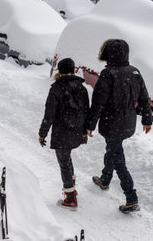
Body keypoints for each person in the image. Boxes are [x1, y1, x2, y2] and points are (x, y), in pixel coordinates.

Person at [85, 39, 152, 214]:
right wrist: (146, 120)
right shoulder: (135, 72)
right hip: (128, 121)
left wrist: (89, 125)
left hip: (112, 121)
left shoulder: (108, 74)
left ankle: (131, 197)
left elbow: (98, 103)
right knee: (113, 149)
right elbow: (145, 98)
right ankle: (105, 179)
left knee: (117, 158)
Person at [39, 58, 89, 210]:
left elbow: (49, 114)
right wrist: (84, 132)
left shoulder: (56, 89)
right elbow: (86, 111)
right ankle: (72, 187)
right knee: (67, 158)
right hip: (76, 131)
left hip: (62, 132)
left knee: (64, 163)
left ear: (59, 71)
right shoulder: (82, 88)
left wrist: (43, 133)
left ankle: (70, 198)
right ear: (74, 70)